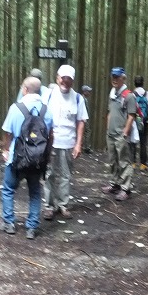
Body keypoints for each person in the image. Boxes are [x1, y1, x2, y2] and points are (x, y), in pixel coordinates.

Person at [0, 76, 53, 239]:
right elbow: (51, 136)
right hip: (37, 159)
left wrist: (6, 150)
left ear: (25, 89)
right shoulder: (47, 111)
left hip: (17, 158)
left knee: (8, 190)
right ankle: (31, 227)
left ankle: (9, 223)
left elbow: (7, 132)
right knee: (35, 192)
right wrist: (47, 156)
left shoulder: (16, 108)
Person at [42, 65, 88, 221]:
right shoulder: (48, 95)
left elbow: (81, 121)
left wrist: (78, 144)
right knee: (49, 174)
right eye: (63, 78)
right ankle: (49, 205)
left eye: (69, 79)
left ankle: (62, 204)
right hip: (49, 142)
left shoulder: (78, 98)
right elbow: (39, 115)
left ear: (72, 81)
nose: (65, 82)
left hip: (68, 141)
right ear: (57, 78)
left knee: (65, 175)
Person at [101, 67, 137, 201]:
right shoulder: (112, 94)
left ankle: (125, 188)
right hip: (111, 133)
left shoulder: (128, 95)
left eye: (117, 77)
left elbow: (131, 116)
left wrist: (125, 132)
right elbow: (110, 112)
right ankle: (115, 183)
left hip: (121, 134)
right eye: (113, 77)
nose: (114, 80)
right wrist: (107, 128)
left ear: (123, 78)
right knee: (113, 160)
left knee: (124, 161)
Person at [129, 76, 148, 171]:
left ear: (134, 83)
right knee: (143, 142)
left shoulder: (132, 94)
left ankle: (133, 163)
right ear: (143, 83)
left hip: (134, 121)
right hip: (145, 121)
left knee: (133, 141)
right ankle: (143, 164)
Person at [81, 85, 93, 154]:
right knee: (87, 132)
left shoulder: (84, 99)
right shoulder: (83, 99)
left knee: (85, 132)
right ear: (85, 92)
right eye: (88, 91)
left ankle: (85, 147)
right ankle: (86, 148)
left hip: (84, 118)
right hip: (83, 118)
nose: (89, 93)